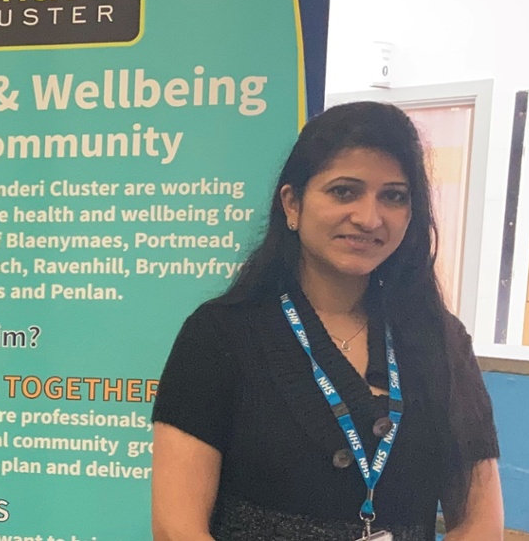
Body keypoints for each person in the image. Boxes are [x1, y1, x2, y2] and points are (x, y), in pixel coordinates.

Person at [150, 102, 503, 541]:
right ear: (292, 203)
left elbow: (481, 523)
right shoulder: (219, 336)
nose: (369, 218)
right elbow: (175, 527)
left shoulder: (441, 342)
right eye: (344, 191)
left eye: (393, 196)